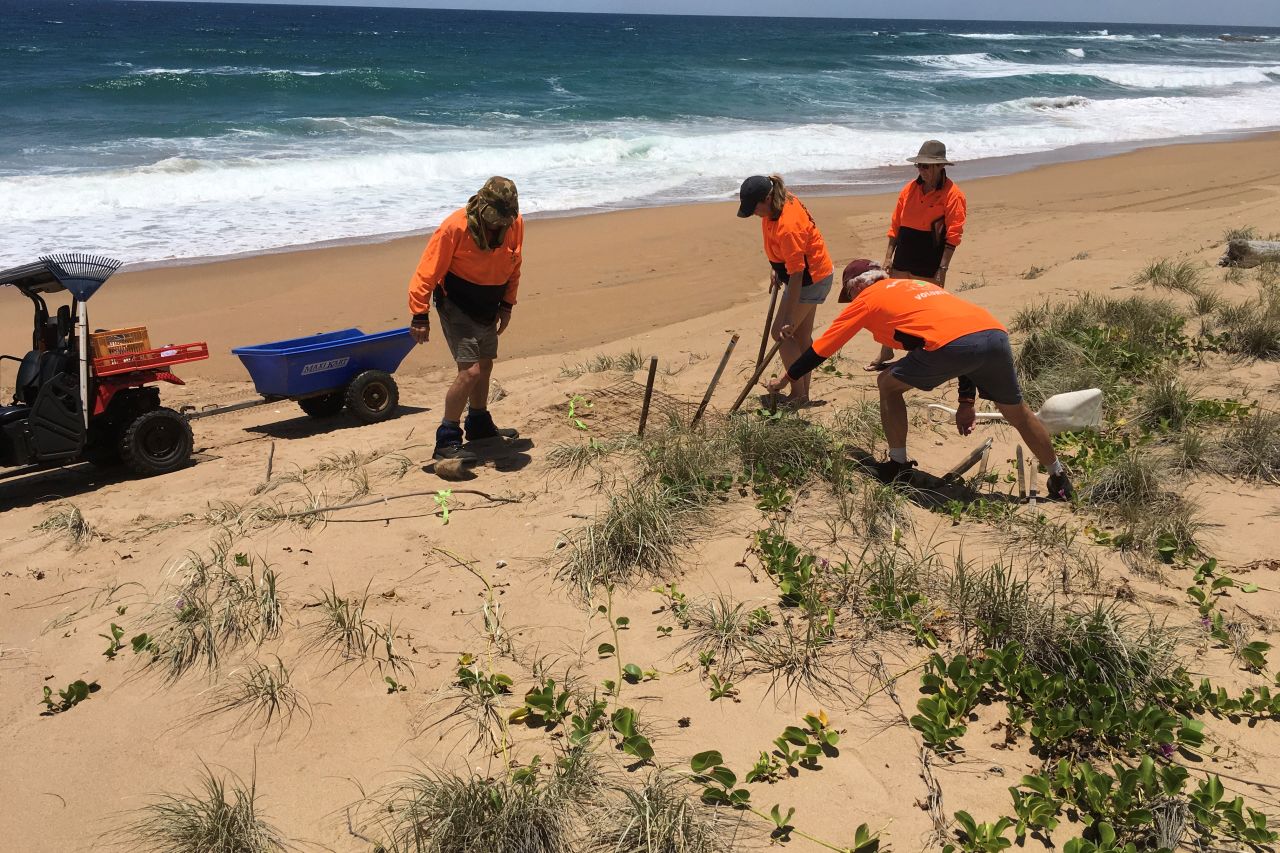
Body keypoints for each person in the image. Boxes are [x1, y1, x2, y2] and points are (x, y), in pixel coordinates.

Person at [765, 260, 1073, 500]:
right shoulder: (914, 287)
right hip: (993, 333)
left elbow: (820, 350)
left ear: (855, 288)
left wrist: (785, 379)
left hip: (955, 344)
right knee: (1018, 414)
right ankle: (1058, 477)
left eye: (850, 294)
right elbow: (963, 342)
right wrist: (966, 403)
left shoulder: (866, 300)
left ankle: (897, 466)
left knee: (887, 382)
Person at [408, 176, 523, 461]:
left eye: (505, 219)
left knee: (485, 365)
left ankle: (479, 424)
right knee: (469, 372)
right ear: (482, 207)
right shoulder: (454, 227)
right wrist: (419, 315)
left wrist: (507, 304)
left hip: (489, 305)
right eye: (495, 218)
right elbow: (426, 272)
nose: (500, 224)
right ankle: (446, 439)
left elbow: (515, 264)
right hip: (456, 304)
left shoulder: (515, 223)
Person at [737, 174, 835, 409]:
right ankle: (803, 393)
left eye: (755, 208)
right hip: (806, 274)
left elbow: (797, 273)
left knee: (781, 333)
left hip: (810, 279)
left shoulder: (788, 226)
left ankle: (798, 393)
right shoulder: (778, 204)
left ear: (768, 198)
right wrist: (775, 267)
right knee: (800, 338)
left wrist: (789, 318)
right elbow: (783, 251)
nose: (754, 214)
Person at [871, 140, 968, 370]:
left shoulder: (954, 195)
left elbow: (954, 235)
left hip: (929, 258)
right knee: (892, 305)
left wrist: (942, 268)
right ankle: (886, 349)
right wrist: (888, 258)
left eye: (925, 166)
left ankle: (925, 356)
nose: (921, 170)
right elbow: (895, 225)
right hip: (904, 253)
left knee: (924, 309)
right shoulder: (909, 189)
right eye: (919, 166)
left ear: (938, 167)